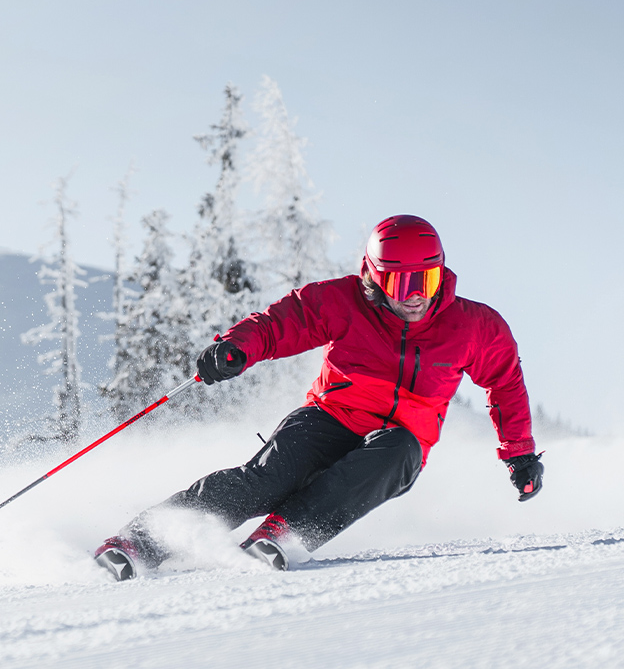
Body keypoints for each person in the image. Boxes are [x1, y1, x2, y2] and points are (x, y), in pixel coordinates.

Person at [95, 214, 544, 581]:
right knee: (267, 478)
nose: (413, 297)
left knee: (394, 454)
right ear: (376, 276)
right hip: (330, 417)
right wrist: (237, 347)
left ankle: (285, 534)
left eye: (423, 281)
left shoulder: (474, 326)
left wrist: (519, 455)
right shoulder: (345, 300)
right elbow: (281, 323)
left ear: (441, 272)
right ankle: (140, 541)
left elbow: (505, 384)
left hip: (402, 438)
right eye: (399, 283)